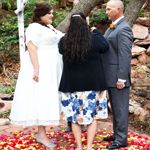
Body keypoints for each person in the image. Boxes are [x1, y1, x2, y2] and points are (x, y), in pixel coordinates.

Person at [10, 2, 63, 148]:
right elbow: (32, 48)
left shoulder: (49, 27)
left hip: (52, 68)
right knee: (41, 98)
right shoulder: (33, 27)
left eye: (52, 13)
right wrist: (37, 69)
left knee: (48, 97)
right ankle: (41, 134)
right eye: (49, 13)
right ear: (40, 15)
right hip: (42, 67)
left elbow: (61, 38)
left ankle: (42, 132)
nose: (52, 15)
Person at [58, 12, 109, 150]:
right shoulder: (95, 39)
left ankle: (79, 147)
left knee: (74, 118)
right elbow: (105, 46)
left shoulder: (64, 41)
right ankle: (89, 147)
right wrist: (96, 32)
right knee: (92, 118)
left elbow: (61, 50)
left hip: (72, 86)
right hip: (93, 86)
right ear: (85, 23)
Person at [102, 0, 133, 149]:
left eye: (109, 9)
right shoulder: (114, 26)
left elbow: (125, 55)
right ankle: (117, 134)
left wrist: (122, 77)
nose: (106, 12)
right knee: (115, 107)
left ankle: (121, 140)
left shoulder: (124, 29)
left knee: (120, 108)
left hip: (118, 77)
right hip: (110, 75)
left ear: (119, 9)